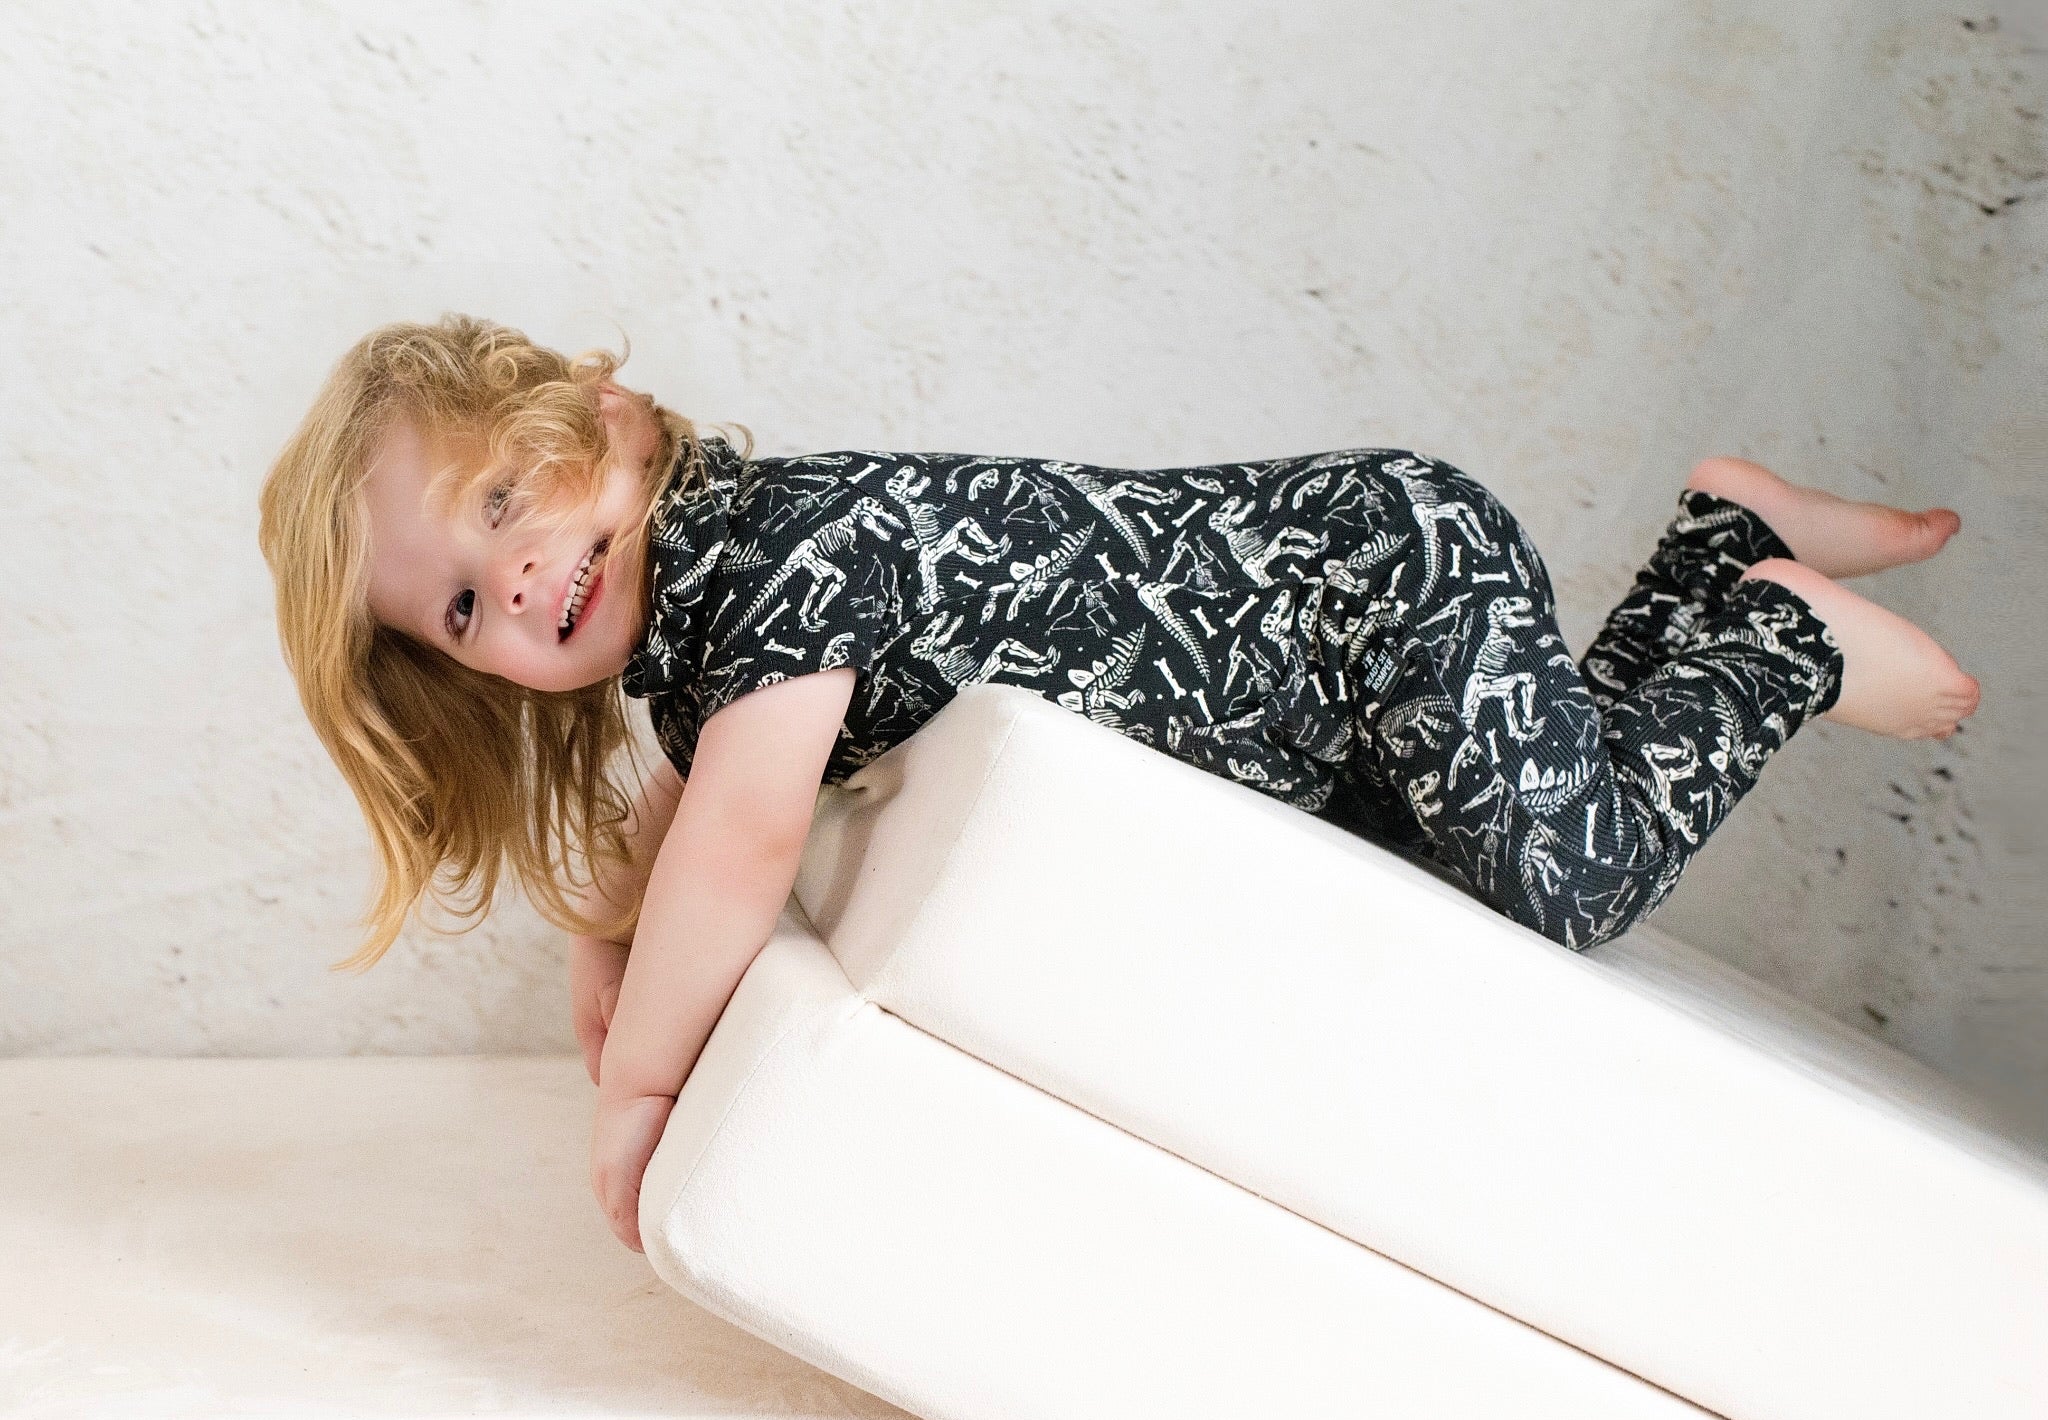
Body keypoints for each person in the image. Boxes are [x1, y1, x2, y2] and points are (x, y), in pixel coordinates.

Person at [257, 314, 1980, 1253]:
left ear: (604, 422)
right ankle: (1720, 541)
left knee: (1572, 874)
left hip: (1363, 597)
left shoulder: (769, 553)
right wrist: (602, 930)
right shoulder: (718, 624)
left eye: (503, 509)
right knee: (1522, 805)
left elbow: (743, 833)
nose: (516, 589)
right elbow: (694, 802)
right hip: (1334, 677)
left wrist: (640, 1085)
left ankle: (1780, 640)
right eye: (462, 613)